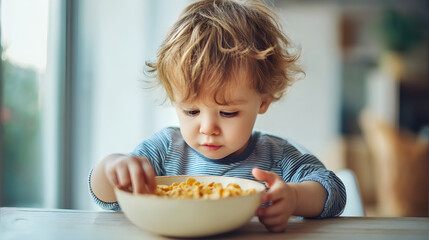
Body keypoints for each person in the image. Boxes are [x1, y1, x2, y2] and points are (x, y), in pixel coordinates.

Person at [89, 0, 346, 232]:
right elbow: (105, 198)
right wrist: (113, 166)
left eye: (228, 112)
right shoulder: (164, 151)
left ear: (263, 101)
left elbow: (334, 191)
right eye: (191, 111)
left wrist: (295, 198)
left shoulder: (276, 158)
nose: (208, 127)